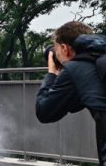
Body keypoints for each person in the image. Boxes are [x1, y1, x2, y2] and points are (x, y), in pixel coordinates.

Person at [35, 21, 106, 164]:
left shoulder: (75, 69)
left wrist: (52, 74)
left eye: (56, 50)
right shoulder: (99, 60)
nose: (56, 55)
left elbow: (45, 112)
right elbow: (74, 103)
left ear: (64, 48)